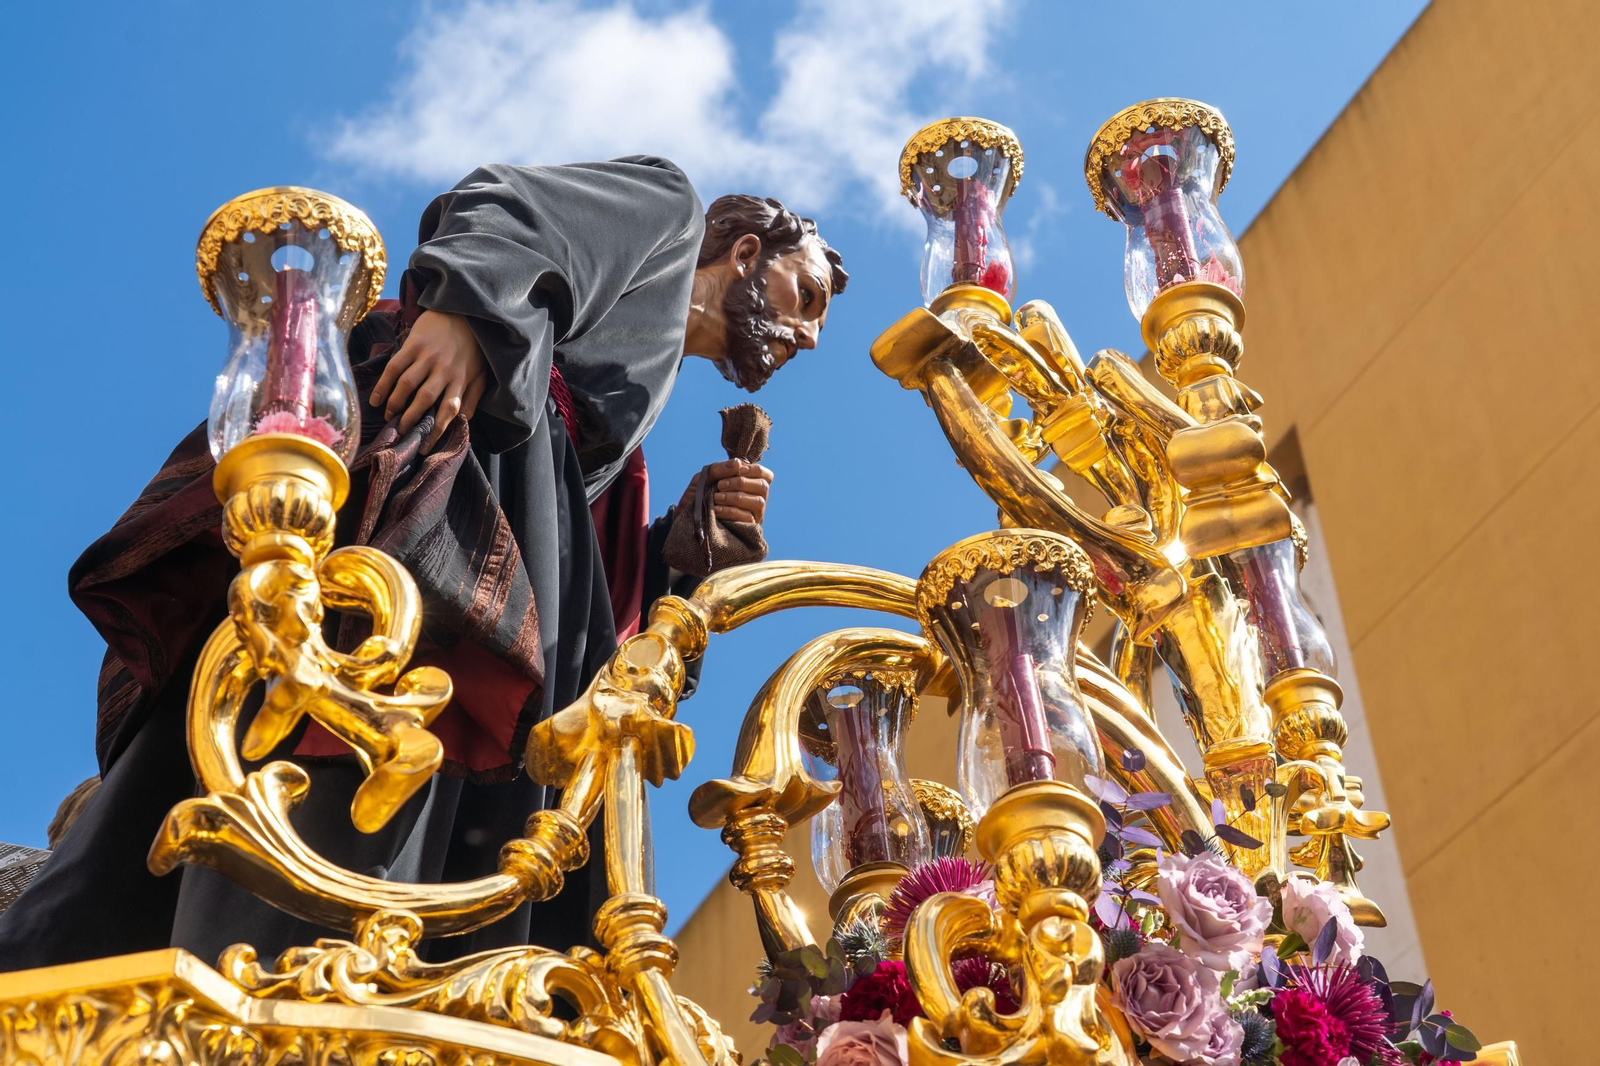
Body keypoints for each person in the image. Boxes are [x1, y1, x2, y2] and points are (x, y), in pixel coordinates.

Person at [0, 156, 847, 970]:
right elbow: (511, 203)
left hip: (505, 534)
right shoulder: (665, 207)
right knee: (345, 742)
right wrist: (465, 315)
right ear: (743, 253)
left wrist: (674, 555)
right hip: (440, 500)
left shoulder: (627, 408)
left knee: (443, 838)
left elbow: (571, 567)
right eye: (804, 296)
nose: (807, 336)